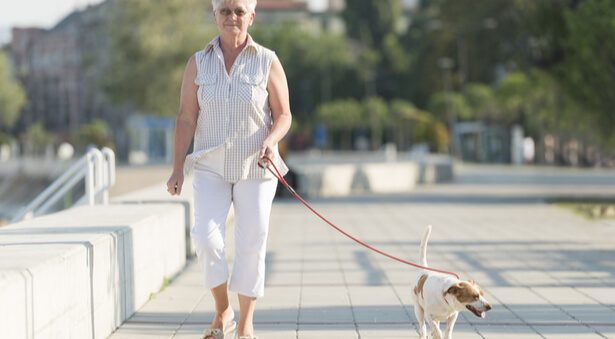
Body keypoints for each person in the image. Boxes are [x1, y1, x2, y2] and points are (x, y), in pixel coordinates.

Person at [166, 0, 291, 338]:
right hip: (210, 167)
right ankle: (223, 311)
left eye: (239, 11)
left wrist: (271, 140)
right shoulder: (197, 63)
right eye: (225, 10)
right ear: (215, 16)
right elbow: (186, 117)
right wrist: (177, 168)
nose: (232, 17)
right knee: (206, 240)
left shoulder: (267, 60)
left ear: (251, 16)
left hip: (257, 166)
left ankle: (245, 325)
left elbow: (284, 115)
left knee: (252, 242)